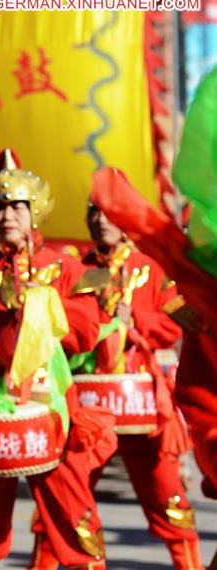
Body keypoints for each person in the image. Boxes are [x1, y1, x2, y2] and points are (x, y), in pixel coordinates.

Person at [0, 148, 113, 570]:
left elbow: (84, 335)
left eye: (16, 206)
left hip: (52, 410)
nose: (7, 215)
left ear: (35, 213)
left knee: (73, 515)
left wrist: (44, 306)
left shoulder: (61, 267)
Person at [67, 200, 201, 569]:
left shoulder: (151, 268)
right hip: (90, 405)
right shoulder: (77, 268)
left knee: (167, 494)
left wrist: (136, 319)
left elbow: (178, 322)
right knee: (68, 496)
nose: (100, 220)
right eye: (92, 212)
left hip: (140, 403)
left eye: (109, 212)